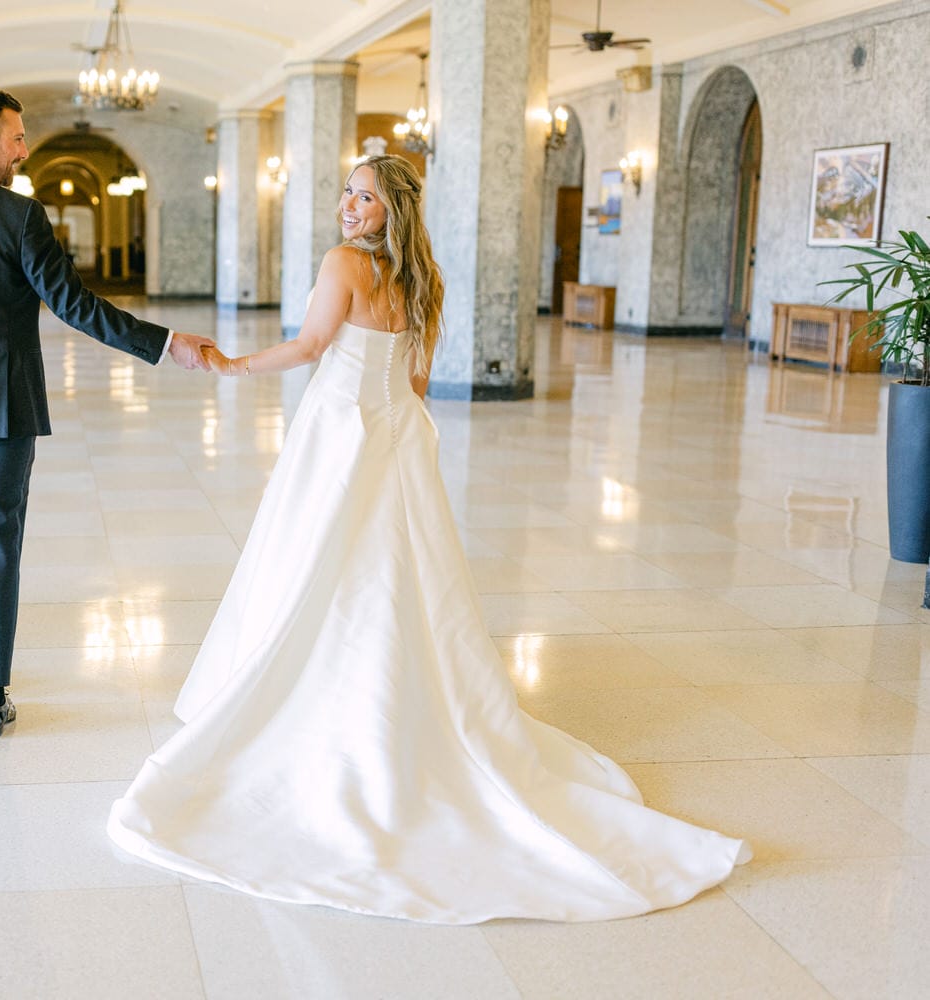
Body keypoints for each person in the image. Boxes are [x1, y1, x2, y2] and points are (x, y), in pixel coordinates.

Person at [107, 155, 750, 923]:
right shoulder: (425, 278)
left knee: (316, 558)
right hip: (395, 432)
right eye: (347, 191)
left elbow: (313, 346)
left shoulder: (341, 262)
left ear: (390, 209)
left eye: (365, 196)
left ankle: (310, 688)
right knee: (393, 568)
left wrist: (235, 366)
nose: (349, 205)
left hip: (338, 427)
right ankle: (401, 689)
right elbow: (415, 381)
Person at [0, 86, 214, 739]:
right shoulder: (19, 216)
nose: (24, 149)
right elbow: (77, 306)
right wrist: (166, 344)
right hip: (3, 405)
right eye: (18, 137)